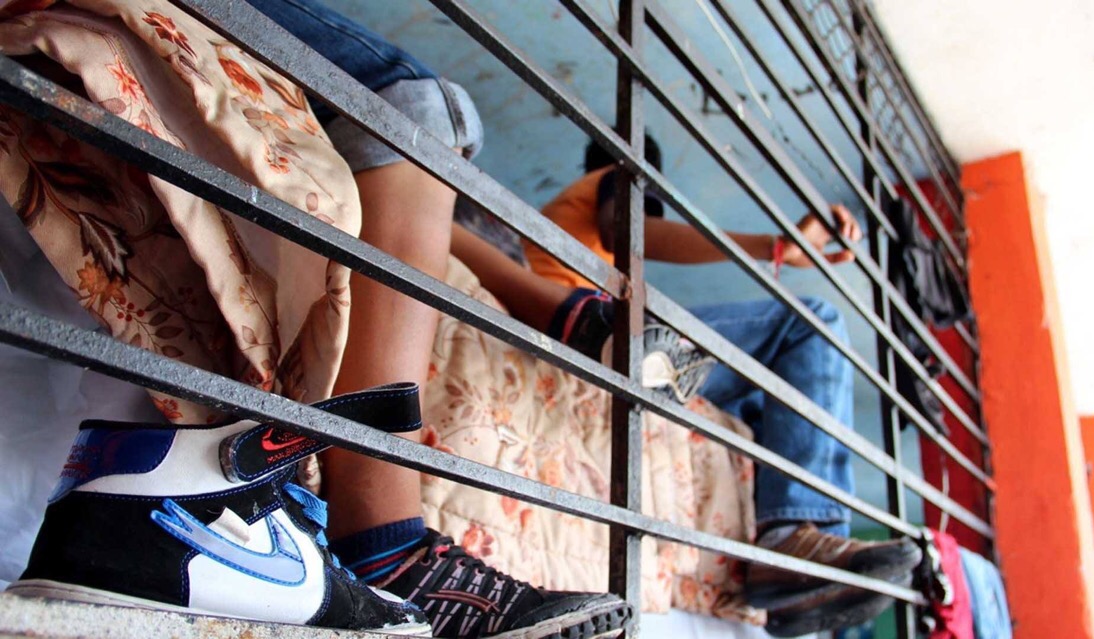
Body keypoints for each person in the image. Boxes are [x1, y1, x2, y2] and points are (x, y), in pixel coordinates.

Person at [5, 1, 630, 637]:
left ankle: (576, 316)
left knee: (422, 138)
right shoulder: (602, 191)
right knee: (418, 111)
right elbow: (620, 224)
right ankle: (387, 546)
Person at [518, 137, 923, 636]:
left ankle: (799, 562)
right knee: (812, 324)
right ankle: (796, 539)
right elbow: (630, 230)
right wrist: (776, 247)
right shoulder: (611, 181)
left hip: (598, 330)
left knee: (761, 404)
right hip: (593, 329)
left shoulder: (572, 223)